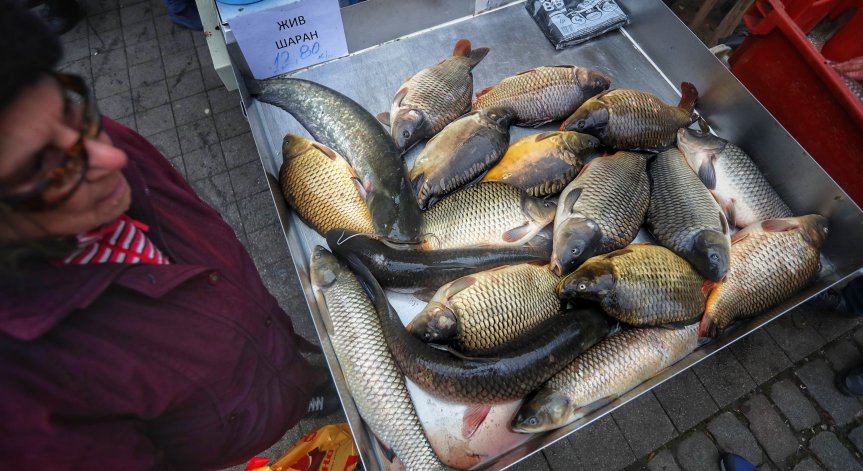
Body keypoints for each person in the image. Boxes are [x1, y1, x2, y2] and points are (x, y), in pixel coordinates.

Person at [0, 2, 338, 469]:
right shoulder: (22, 398)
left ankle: (303, 387)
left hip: (262, 333)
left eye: (71, 109)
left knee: (297, 372)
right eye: (46, 169)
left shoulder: (97, 147)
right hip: (229, 431)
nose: (111, 158)